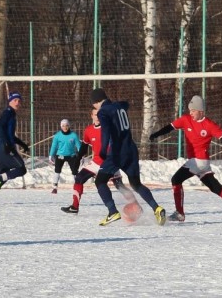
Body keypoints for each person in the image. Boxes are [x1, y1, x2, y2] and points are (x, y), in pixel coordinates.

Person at [149, 95, 222, 222]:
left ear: (201, 111)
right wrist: (156, 134)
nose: (190, 113)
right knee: (216, 188)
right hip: (200, 164)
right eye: (190, 110)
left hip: (199, 161)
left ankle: (180, 214)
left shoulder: (209, 124)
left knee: (176, 180)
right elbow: (169, 127)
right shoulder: (186, 119)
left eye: (193, 110)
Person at [90, 88, 166, 226]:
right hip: (131, 150)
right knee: (136, 184)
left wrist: (102, 151)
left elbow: (105, 133)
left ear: (96, 102)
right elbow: (126, 104)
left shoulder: (103, 112)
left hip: (117, 152)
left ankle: (112, 211)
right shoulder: (119, 106)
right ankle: (157, 208)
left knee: (100, 181)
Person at [61, 107, 142, 215]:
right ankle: (75, 207)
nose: (97, 117)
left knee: (119, 185)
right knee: (79, 178)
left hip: (110, 162)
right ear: (91, 116)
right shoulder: (88, 130)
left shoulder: (108, 128)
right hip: (96, 162)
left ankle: (137, 206)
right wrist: (78, 159)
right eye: (95, 114)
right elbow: (84, 147)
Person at [0, 91, 29, 207]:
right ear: (10, 101)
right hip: (4, 147)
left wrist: (22, 144)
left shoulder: (11, 114)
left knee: (4, 176)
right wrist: (6, 144)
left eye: (19, 100)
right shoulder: (8, 112)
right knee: (21, 169)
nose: (17, 102)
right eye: (15, 100)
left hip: (1, 147)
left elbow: (10, 135)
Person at [48, 119, 81, 194]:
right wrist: (51, 155)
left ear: (69, 126)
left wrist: (81, 155)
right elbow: (54, 146)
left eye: (66, 125)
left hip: (71, 156)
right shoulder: (57, 135)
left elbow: (79, 146)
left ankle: (77, 187)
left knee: (75, 171)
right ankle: (54, 188)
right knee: (57, 171)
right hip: (60, 156)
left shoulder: (74, 135)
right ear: (61, 126)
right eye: (63, 126)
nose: (65, 127)